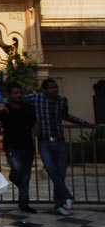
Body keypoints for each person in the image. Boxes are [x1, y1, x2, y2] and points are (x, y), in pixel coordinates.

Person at [21, 78, 95, 215]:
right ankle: (67, 196)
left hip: (59, 141)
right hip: (44, 141)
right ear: (44, 90)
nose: (54, 90)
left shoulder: (61, 100)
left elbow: (66, 116)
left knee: (60, 173)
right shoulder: (36, 98)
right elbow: (17, 100)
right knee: (49, 167)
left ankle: (59, 204)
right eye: (51, 88)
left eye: (56, 87)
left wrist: (85, 124)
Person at [0, 83, 37, 213]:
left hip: (27, 146)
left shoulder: (28, 108)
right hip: (12, 145)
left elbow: (34, 121)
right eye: (15, 93)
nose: (18, 95)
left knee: (26, 177)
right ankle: (15, 179)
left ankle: (24, 203)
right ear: (10, 95)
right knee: (17, 169)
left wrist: (37, 127)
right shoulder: (5, 108)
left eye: (20, 93)